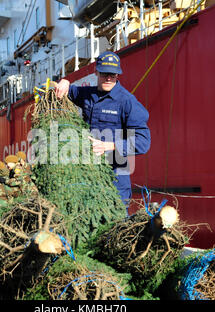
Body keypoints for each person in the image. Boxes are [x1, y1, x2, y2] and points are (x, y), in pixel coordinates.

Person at [55, 51, 151, 209]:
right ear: (96, 72)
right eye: (104, 74)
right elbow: (68, 90)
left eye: (112, 75)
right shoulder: (87, 94)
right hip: (88, 176)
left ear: (117, 75)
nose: (108, 78)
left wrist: (111, 146)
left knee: (115, 224)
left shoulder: (127, 101)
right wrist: (64, 81)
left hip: (116, 178)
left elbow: (143, 142)